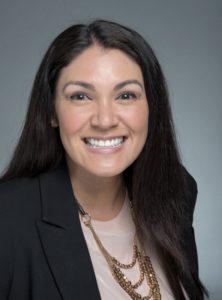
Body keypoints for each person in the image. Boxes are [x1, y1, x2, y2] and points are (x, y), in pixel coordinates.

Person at [0, 19, 208, 300]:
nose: (105, 120)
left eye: (125, 95)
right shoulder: (8, 217)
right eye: (81, 96)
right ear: (51, 112)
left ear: (151, 107)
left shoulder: (176, 191)